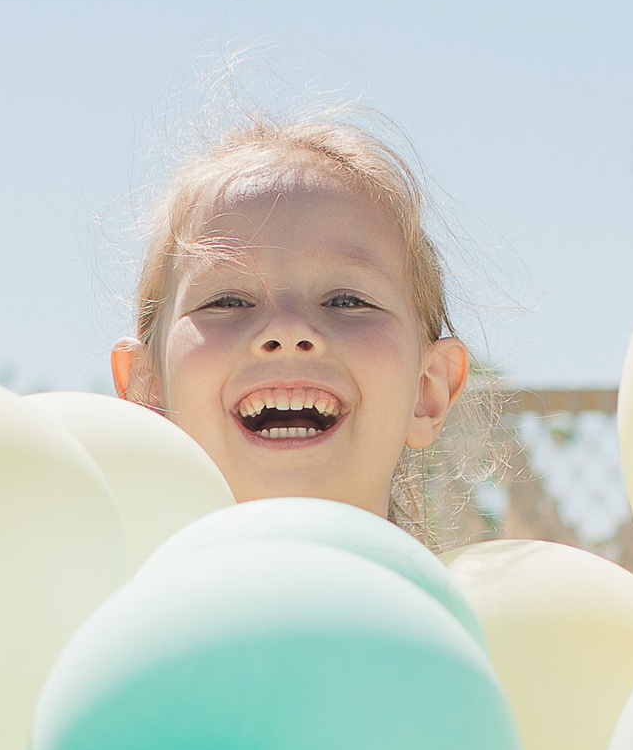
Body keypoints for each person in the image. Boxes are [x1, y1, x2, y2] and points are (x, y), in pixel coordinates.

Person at [109, 115, 472, 524]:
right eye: (227, 301)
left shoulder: (479, 590)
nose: (286, 330)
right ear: (148, 395)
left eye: (346, 301)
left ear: (427, 391)